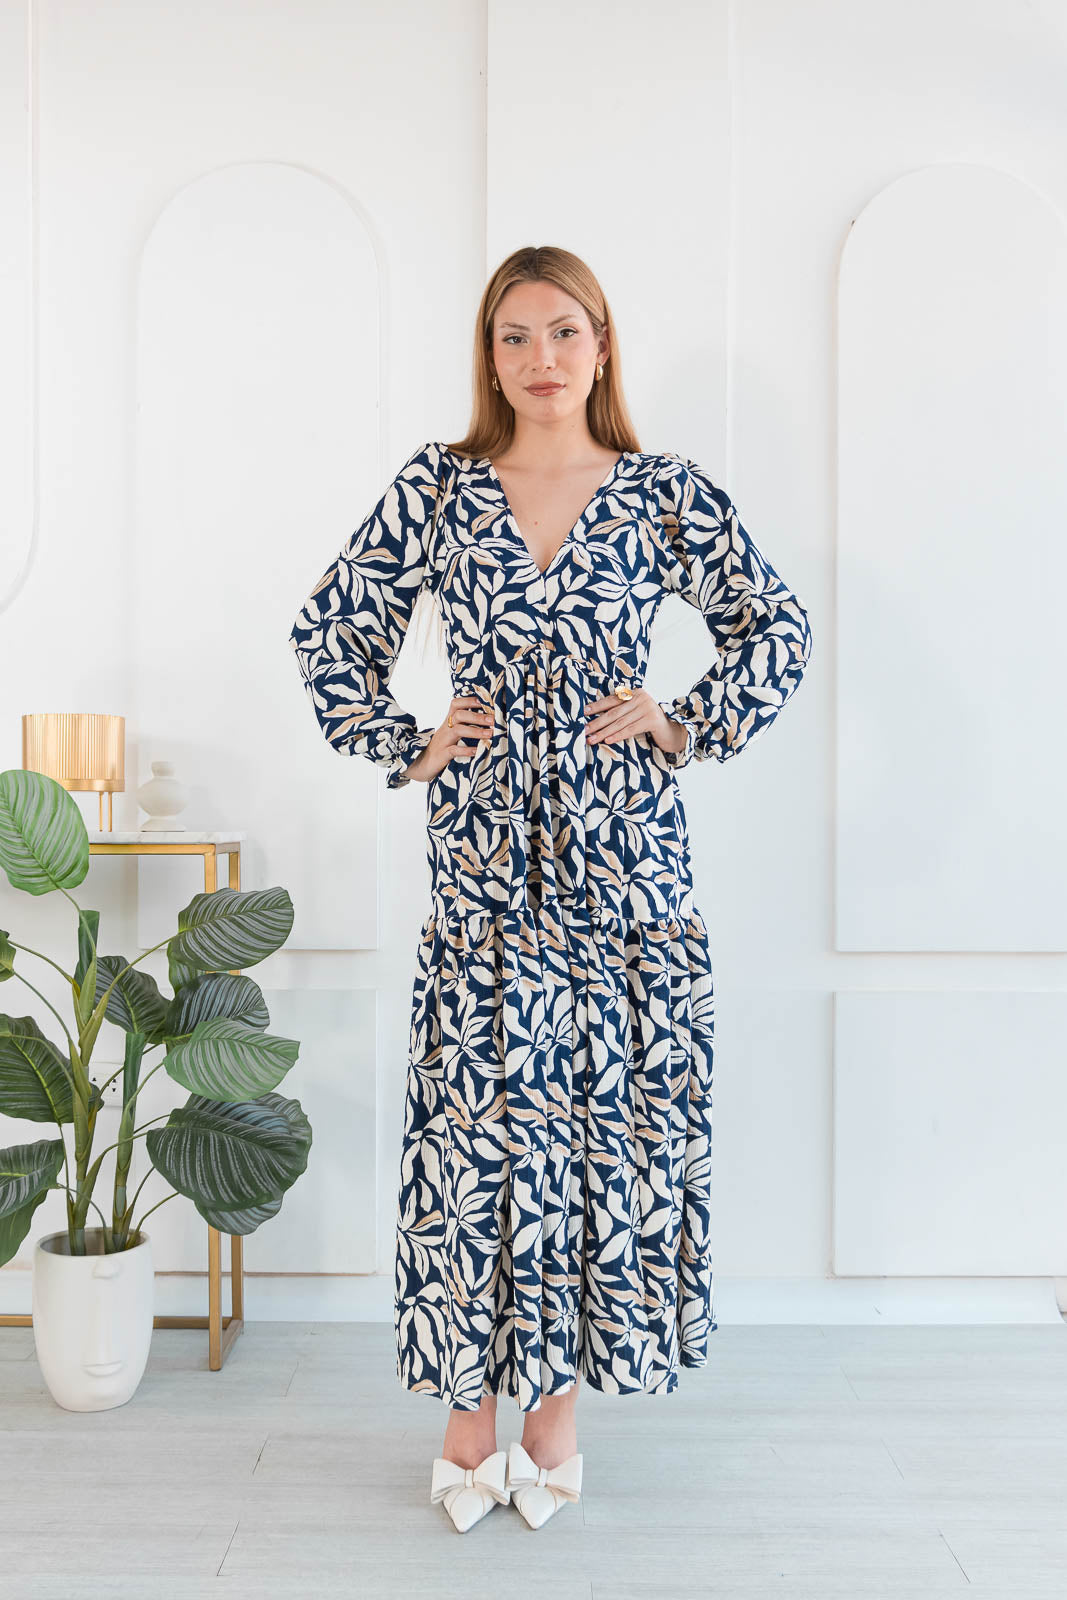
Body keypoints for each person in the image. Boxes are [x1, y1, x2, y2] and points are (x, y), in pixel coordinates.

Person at [288, 245, 813, 1534]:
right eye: (514, 336)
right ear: (489, 355)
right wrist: (410, 743)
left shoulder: (665, 494)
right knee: (477, 1137)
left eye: (564, 331)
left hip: (627, 870)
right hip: (483, 871)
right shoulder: (438, 488)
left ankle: (557, 1412)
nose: (541, 358)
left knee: (604, 1133)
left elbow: (776, 627)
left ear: (602, 344)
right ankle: (469, 1414)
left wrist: (681, 722)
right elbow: (331, 629)